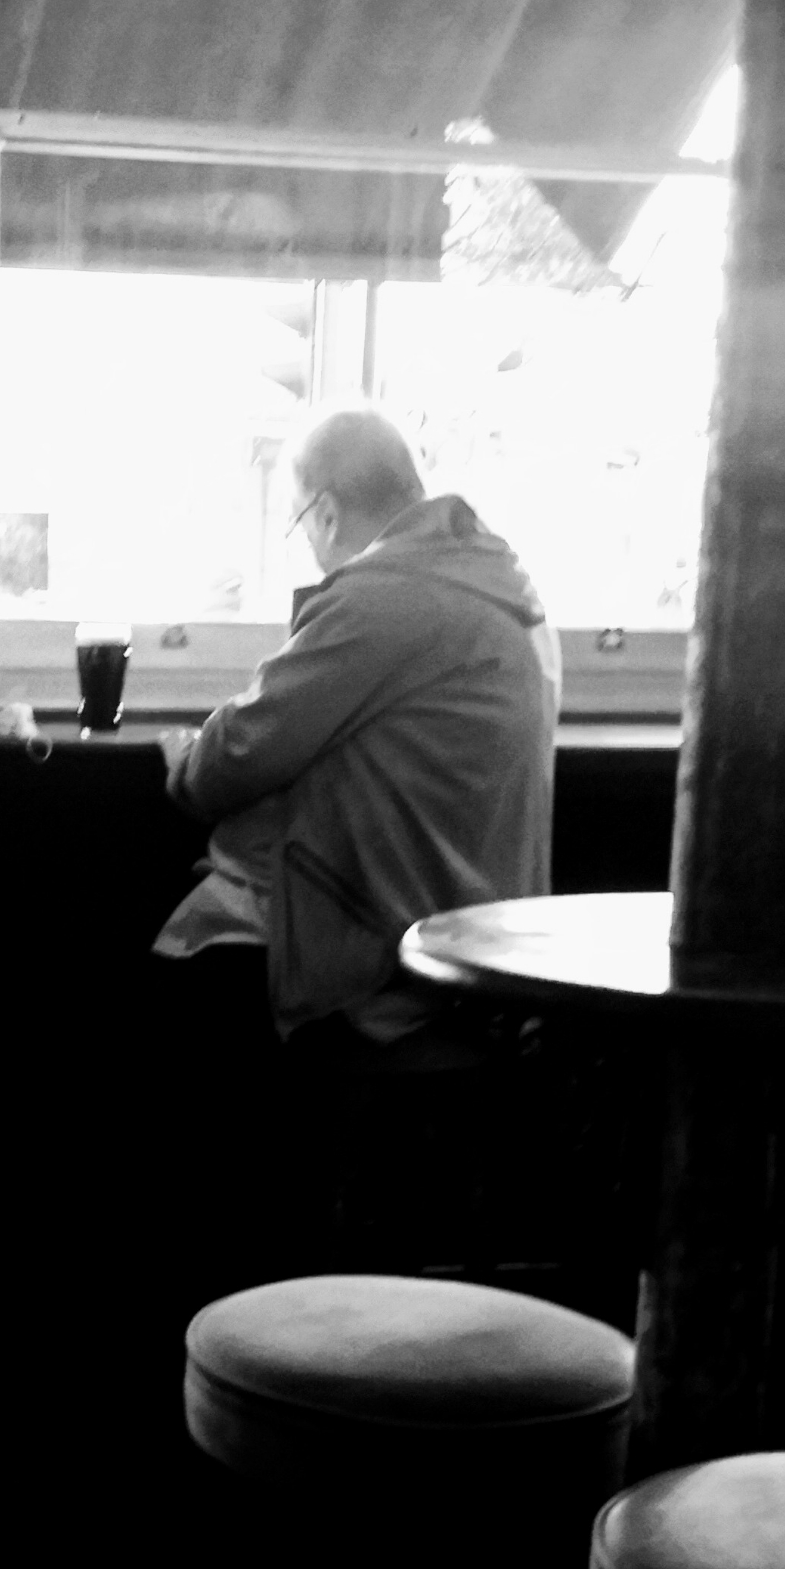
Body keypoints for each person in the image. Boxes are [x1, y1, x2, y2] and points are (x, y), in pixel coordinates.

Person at [149, 406, 560, 1283]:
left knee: (184, 988)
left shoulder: (380, 598)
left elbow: (224, 767)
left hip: (391, 959)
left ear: (327, 511)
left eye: (299, 521)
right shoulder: (506, 593)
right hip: (479, 944)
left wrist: (184, 757)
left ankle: (236, 1295)